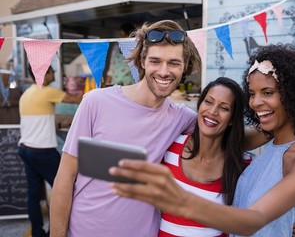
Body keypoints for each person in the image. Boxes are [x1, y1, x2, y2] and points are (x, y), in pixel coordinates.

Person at [109, 43, 295, 236]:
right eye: (252, 93)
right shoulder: (273, 145)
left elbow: (254, 219)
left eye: (267, 93)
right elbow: (228, 138)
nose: (255, 102)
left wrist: (181, 200)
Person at [49, 19, 203, 237]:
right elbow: (65, 177)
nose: (164, 71)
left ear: (184, 66)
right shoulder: (96, 102)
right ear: (142, 61)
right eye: (155, 61)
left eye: (174, 63)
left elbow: (232, 136)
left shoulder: (182, 118)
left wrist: (268, 130)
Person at [159, 77, 247, 236]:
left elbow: (260, 214)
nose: (213, 111)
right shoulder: (170, 147)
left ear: (232, 120)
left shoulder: (242, 164)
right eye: (208, 102)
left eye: (224, 108)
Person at [18, 65, 82, 237]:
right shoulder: (46, 91)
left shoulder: (26, 95)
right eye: (52, 71)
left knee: (33, 195)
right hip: (42, 152)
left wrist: (61, 123)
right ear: (44, 75)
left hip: (25, 149)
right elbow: (77, 99)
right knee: (67, 189)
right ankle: (63, 230)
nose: (54, 74)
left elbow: (39, 121)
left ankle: (38, 232)